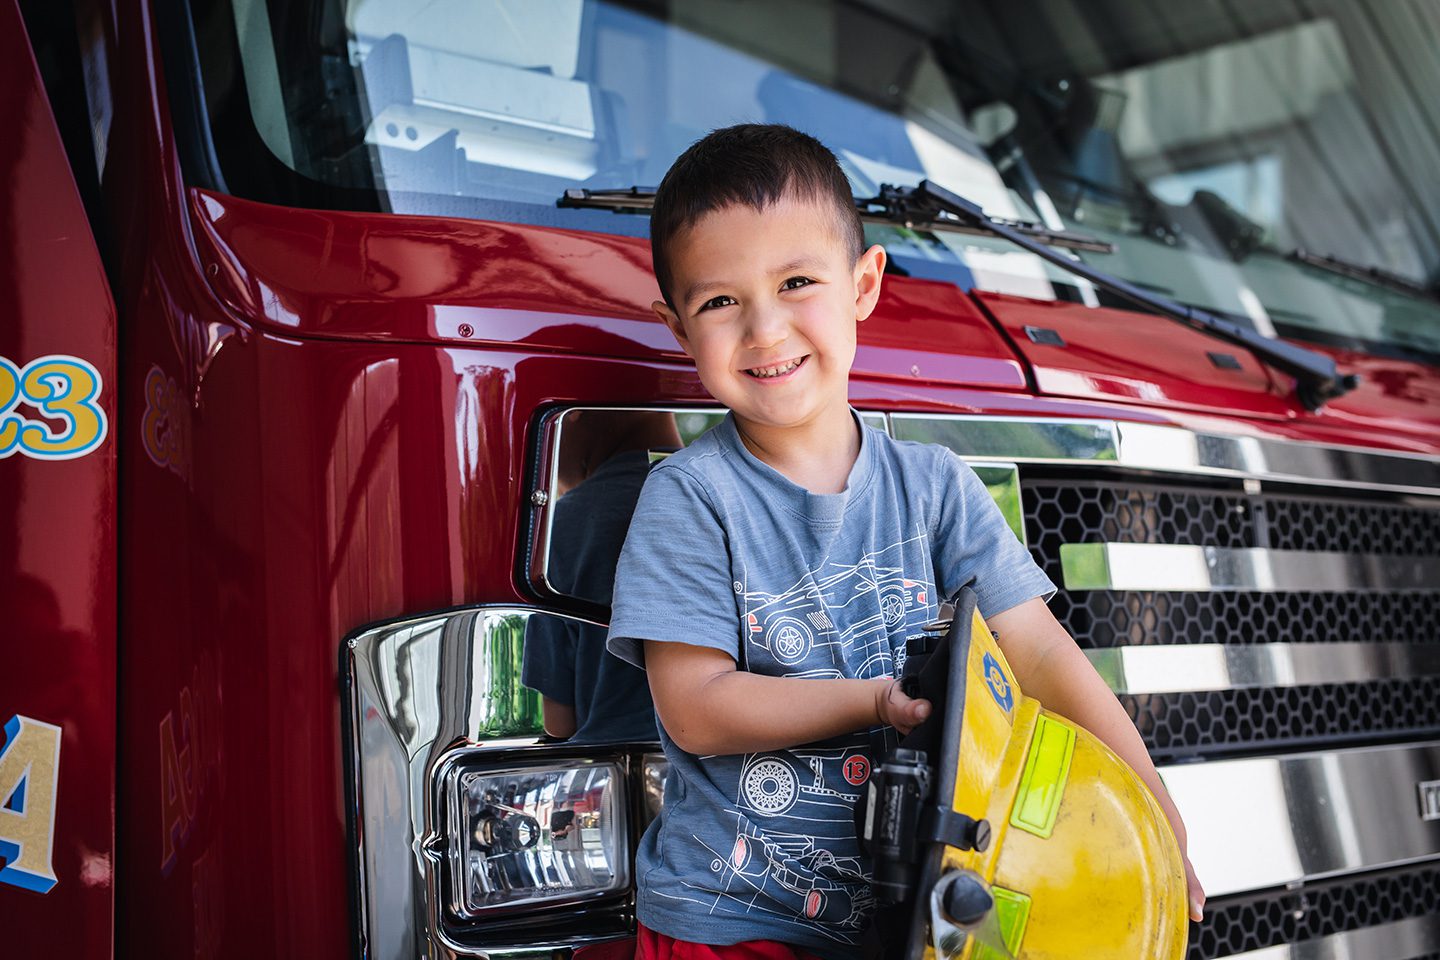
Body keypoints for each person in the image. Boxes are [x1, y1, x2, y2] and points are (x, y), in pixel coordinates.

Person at [606, 124, 1204, 958]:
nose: (766, 330)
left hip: (909, 918)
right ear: (679, 329)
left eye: (797, 282)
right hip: (735, 922)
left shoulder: (936, 488)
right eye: (720, 302)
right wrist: (870, 701)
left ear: (864, 285)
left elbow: (1039, 654)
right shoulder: (691, 497)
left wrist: (1152, 809)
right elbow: (697, 709)